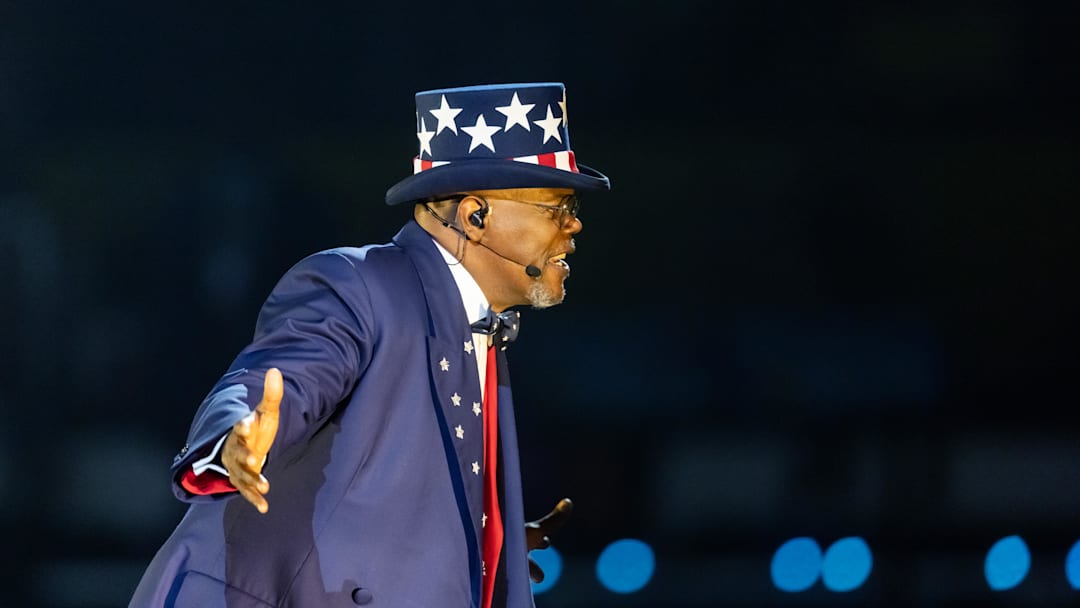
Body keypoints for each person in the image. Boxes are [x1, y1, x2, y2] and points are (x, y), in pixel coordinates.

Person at [129, 82, 611, 608]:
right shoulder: (360, 283)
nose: (574, 225)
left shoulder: (478, 327)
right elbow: (274, 380)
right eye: (555, 207)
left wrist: (482, 541)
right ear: (476, 216)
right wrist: (236, 439)